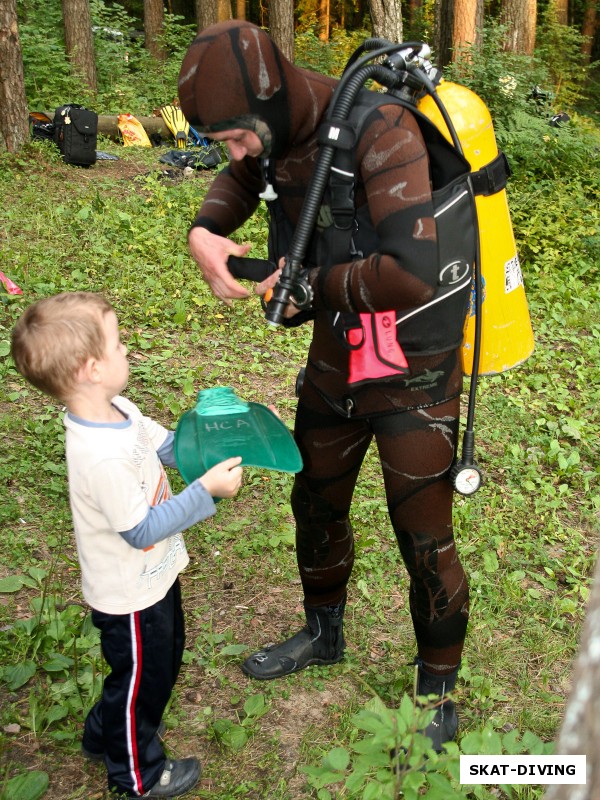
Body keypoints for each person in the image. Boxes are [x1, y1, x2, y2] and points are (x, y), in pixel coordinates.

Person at [178, 20, 470, 751]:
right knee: (315, 499)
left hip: (415, 367)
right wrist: (206, 229)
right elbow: (246, 176)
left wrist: (305, 281)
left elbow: (411, 269)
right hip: (338, 358)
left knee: (424, 534)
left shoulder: (381, 128)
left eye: (240, 135)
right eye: (225, 142)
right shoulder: (277, 137)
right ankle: (323, 632)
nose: (238, 151)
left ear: (272, 103)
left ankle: (437, 689)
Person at [11, 291, 243, 798]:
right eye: (118, 344)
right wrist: (205, 492)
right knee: (141, 683)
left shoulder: (118, 410)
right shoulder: (99, 457)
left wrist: (209, 447)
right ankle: (135, 774)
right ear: (92, 368)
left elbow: (163, 445)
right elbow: (139, 530)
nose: (127, 350)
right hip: (129, 596)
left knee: (161, 663)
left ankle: (103, 735)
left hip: (155, 577)